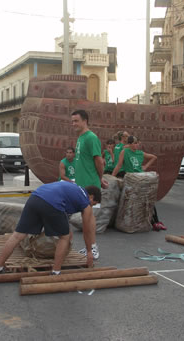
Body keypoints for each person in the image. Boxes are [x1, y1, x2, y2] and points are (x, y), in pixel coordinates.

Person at [0, 181, 102, 274]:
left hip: (35, 197)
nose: (91, 207)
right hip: (52, 203)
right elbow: (86, 230)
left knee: (17, 235)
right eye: (93, 204)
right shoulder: (85, 201)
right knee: (65, 237)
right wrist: (89, 252)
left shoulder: (74, 188)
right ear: (91, 197)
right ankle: (56, 272)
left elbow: (63, 212)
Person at [71, 109, 108, 260]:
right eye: (72, 121)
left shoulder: (91, 137)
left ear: (85, 121)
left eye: (76, 121)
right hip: (81, 183)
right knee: (86, 216)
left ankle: (93, 248)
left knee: (88, 217)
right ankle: (90, 247)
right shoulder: (80, 138)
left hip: (90, 184)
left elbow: (98, 160)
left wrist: (99, 179)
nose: (73, 124)